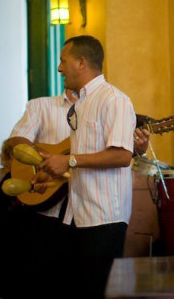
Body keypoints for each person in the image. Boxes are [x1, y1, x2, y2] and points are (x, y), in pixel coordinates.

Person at [34, 35, 136, 295]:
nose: (59, 68)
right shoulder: (82, 103)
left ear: (81, 62)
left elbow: (122, 156)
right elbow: (82, 159)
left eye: (62, 61)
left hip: (105, 218)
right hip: (77, 216)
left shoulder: (114, 99)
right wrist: (51, 175)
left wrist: (68, 160)